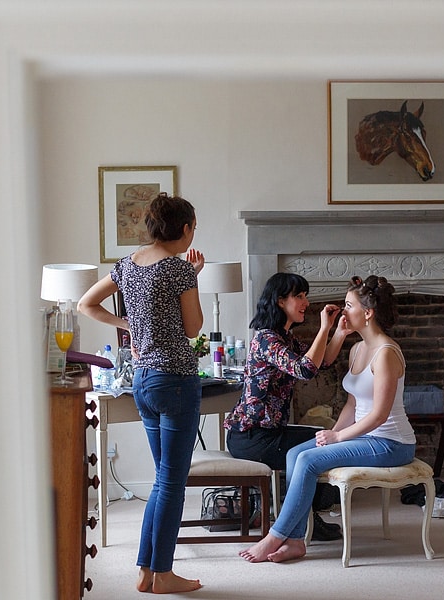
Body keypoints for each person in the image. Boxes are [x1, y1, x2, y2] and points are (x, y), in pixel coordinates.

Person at [78, 192, 205, 594]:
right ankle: (163, 574)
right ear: (184, 229)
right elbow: (193, 328)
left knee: (162, 479)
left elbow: (86, 304)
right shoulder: (178, 270)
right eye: (192, 230)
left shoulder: (128, 265)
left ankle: (146, 571)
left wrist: (129, 323)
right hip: (176, 381)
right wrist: (193, 278)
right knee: (172, 480)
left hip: (144, 381)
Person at [240, 275, 416, 563]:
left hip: (391, 442)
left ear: (368, 313)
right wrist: (330, 436)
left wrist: (337, 438)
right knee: (298, 453)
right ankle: (296, 540)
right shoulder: (359, 348)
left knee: (308, 460)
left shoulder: (385, 353)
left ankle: (276, 535)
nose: (343, 311)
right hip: (367, 437)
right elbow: (352, 403)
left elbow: (380, 414)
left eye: (349, 305)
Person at [223, 272, 349, 541]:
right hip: (251, 438)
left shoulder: (285, 338)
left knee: (324, 439)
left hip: (269, 433)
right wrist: (324, 329)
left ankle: (306, 518)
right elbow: (305, 369)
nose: (305, 302)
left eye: (306, 296)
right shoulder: (267, 339)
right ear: (281, 301)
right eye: (299, 296)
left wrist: (339, 331)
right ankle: (304, 522)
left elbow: (321, 362)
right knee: (322, 444)